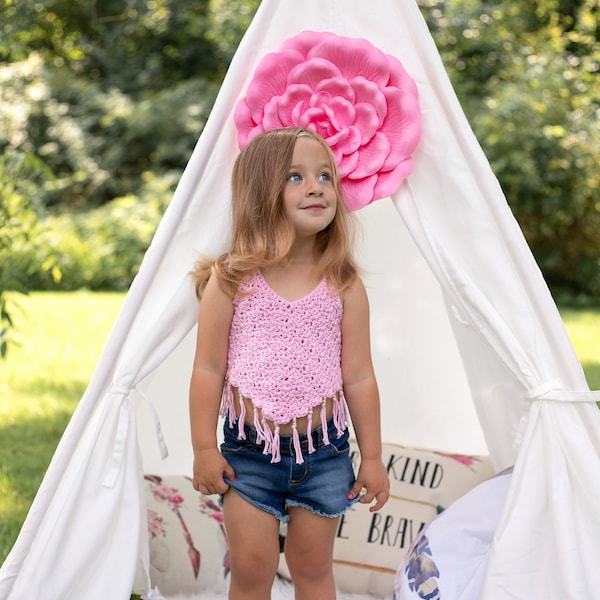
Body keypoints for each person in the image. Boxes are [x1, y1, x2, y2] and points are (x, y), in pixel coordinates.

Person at [189, 127, 390, 600]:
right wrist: (203, 448)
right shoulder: (231, 280)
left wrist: (374, 457)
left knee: (313, 568)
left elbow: (359, 376)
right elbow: (208, 369)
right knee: (253, 569)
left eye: (325, 176)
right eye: (295, 177)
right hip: (248, 457)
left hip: (325, 455)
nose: (317, 186)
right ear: (262, 191)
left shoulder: (343, 284)